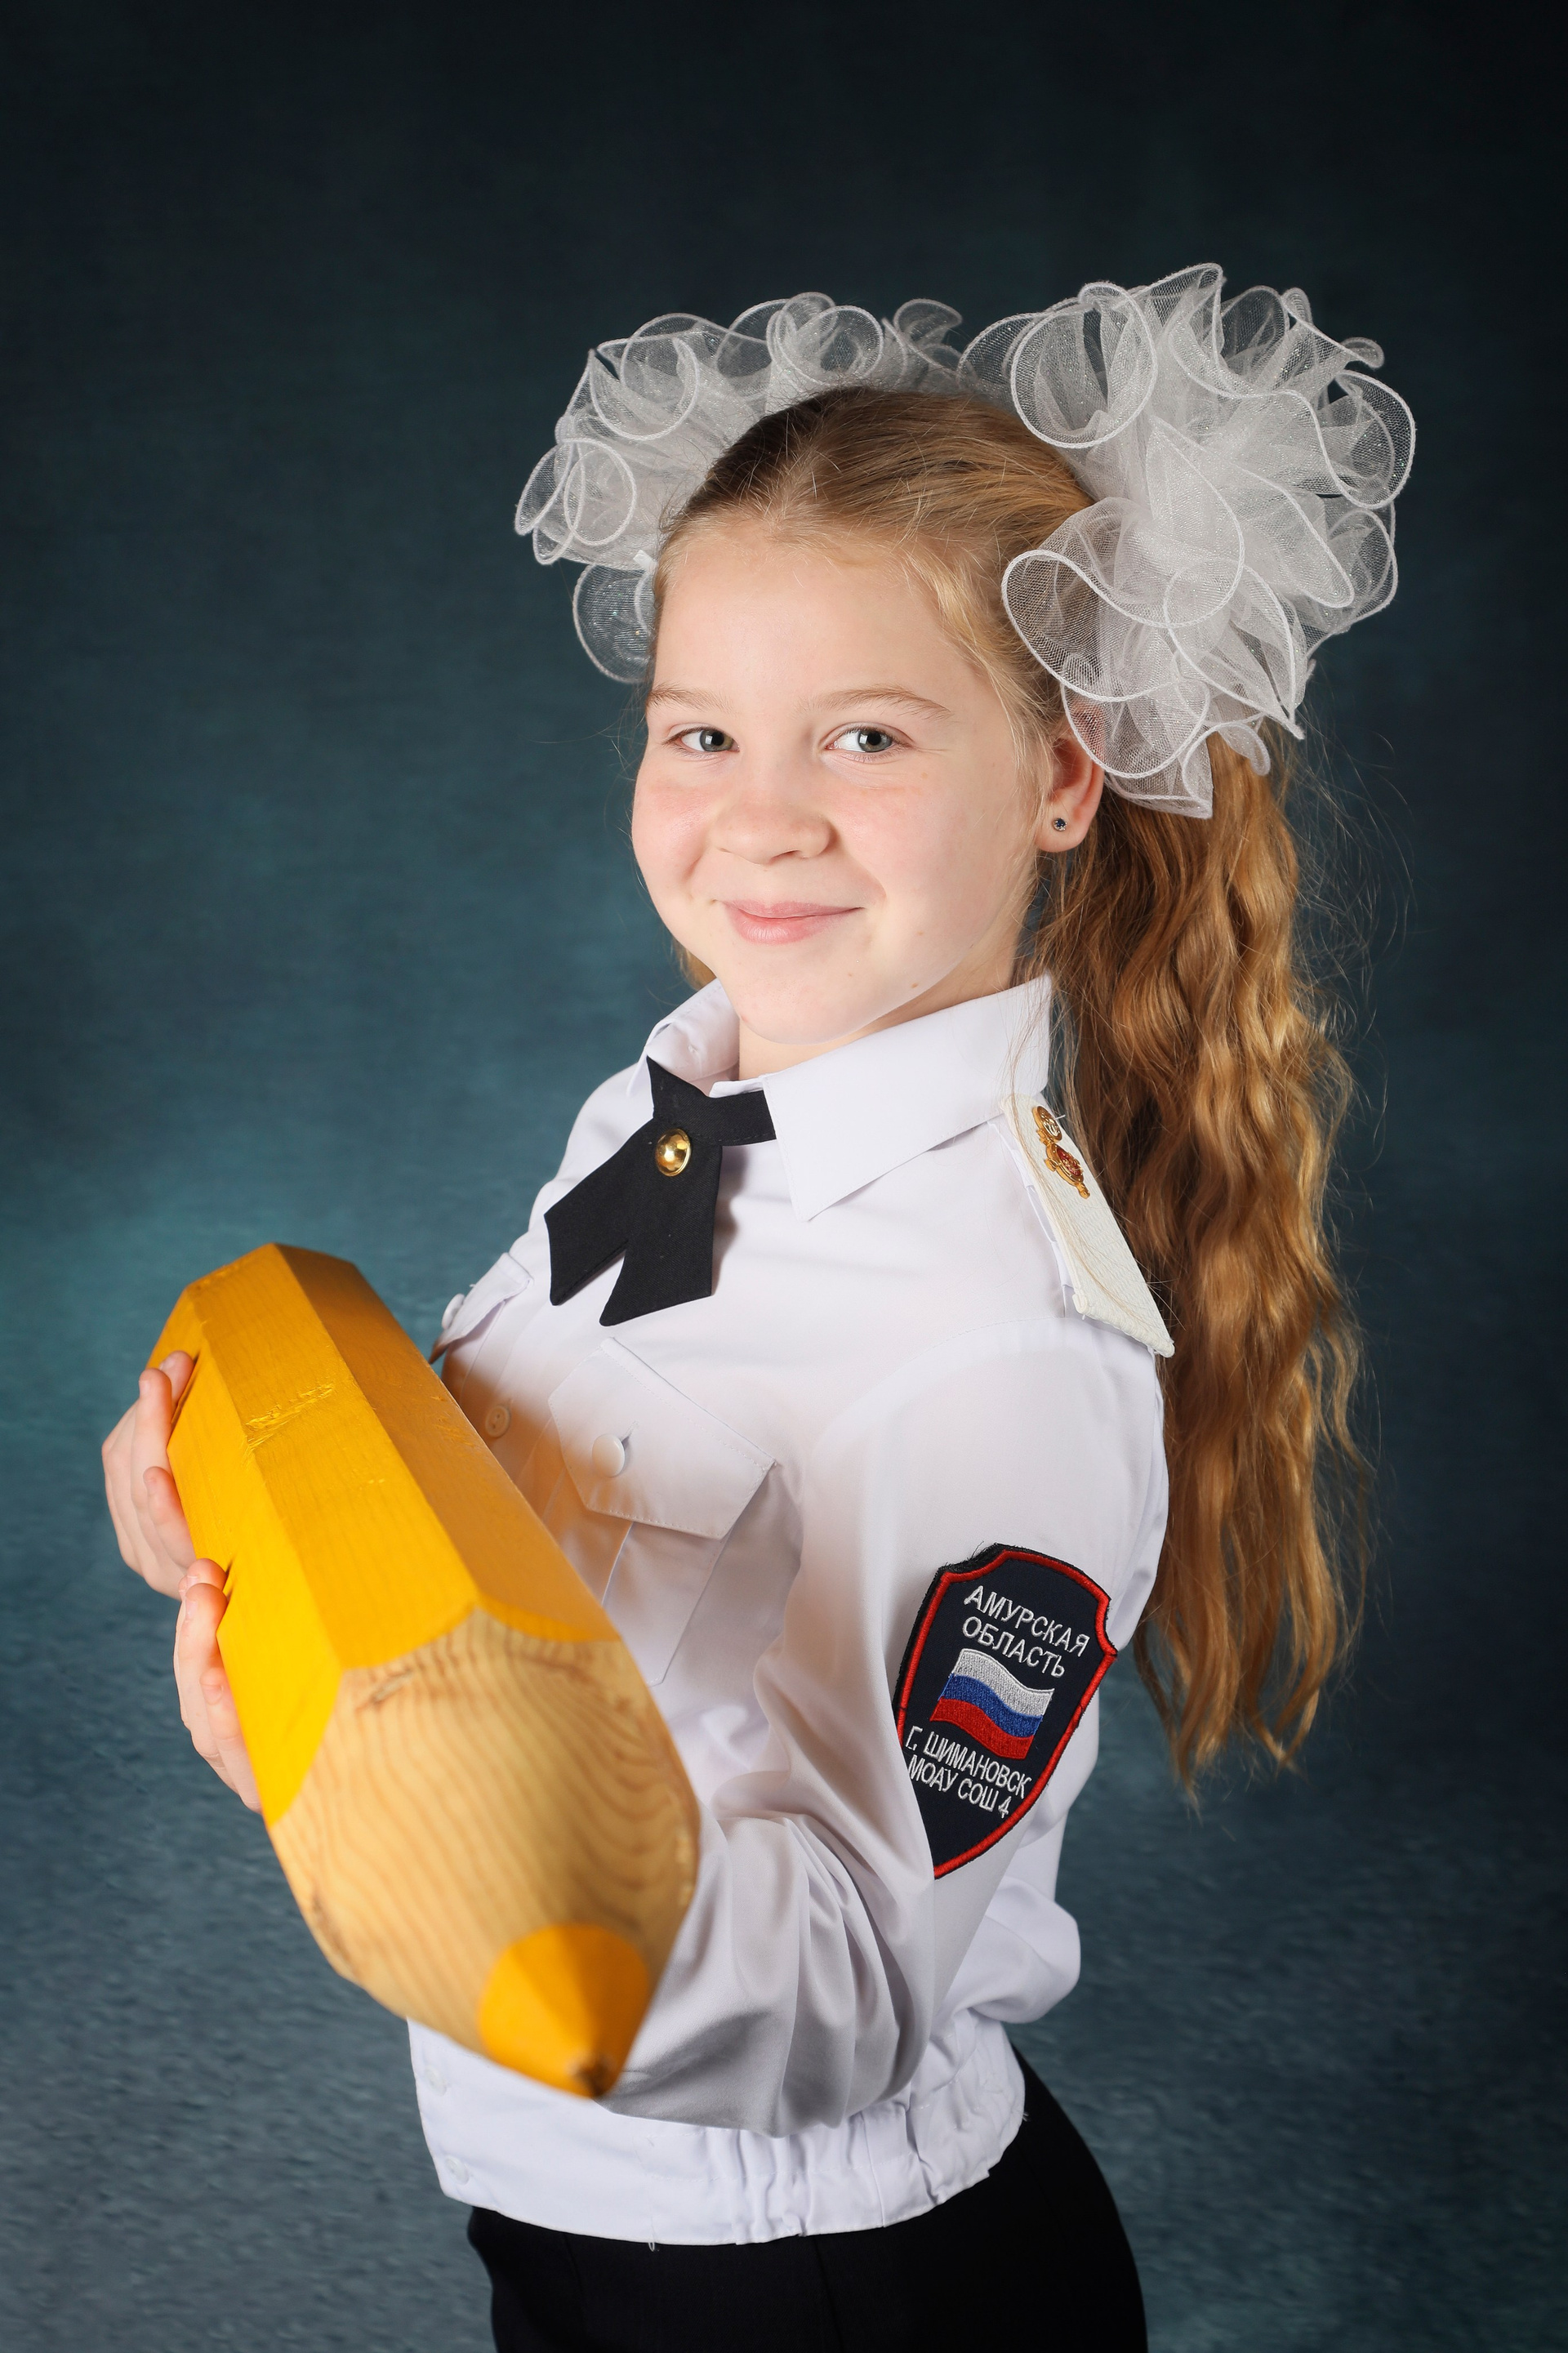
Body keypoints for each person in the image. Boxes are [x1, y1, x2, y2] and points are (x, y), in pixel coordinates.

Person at [102, 270, 1413, 2352]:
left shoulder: (1008, 1346)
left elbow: (848, 1996)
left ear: (1065, 775)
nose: (760, 815)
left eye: (866, 736)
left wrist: (484, 1878)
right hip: (575, 2228)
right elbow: (504, 1509)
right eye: (699, 730)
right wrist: (246, 1516)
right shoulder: (678, 1116)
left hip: (812, 2292)